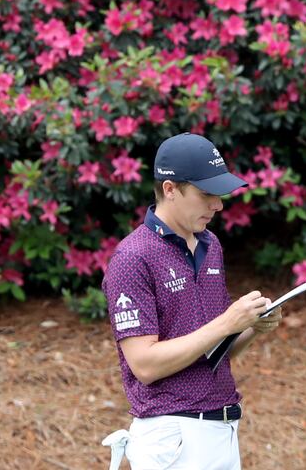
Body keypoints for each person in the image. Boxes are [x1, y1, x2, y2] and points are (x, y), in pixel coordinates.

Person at [102, 132, 282, 470]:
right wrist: (227, 322)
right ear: (170, 189)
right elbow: (145, 365)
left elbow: (212, 350)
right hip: (173, 437)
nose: (218, 205)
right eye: (206, 194)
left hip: (222, 428)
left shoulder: (210, 245)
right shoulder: (132, 257)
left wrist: (251, 328)